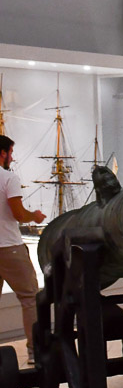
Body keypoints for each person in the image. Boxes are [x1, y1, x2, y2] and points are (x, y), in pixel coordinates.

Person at [0, 136, 46, 364]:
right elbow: (18, 214)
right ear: (3, 153)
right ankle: (34, 352)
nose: (12, 157)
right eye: (10, 152)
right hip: (9, 248)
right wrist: (34, 216)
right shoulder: (9, 178)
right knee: (29, 298)